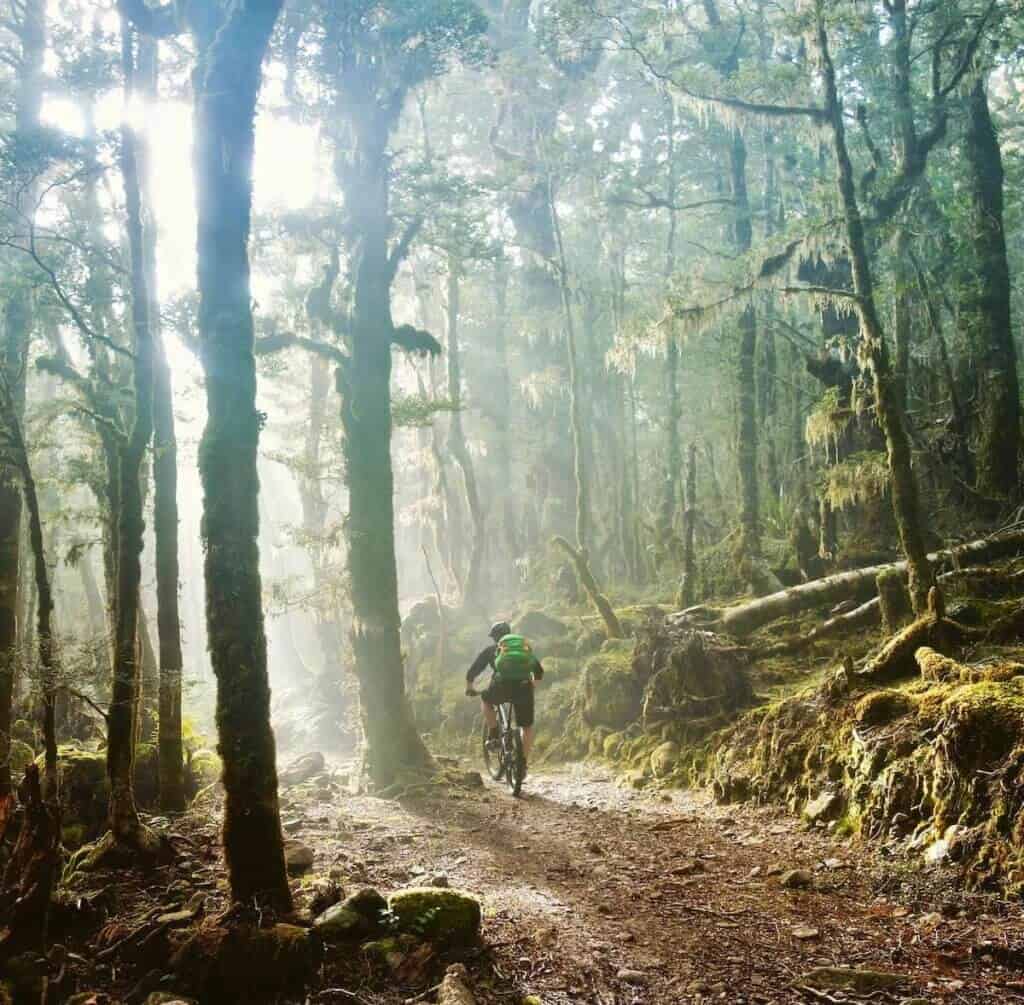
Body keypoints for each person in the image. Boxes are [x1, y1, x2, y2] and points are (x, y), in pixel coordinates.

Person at [465, 620, 543, 774]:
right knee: (526, 727)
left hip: (501, 687)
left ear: (495, 637)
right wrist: (530, 686)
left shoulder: (491, 651)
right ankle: (522, 764)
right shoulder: (524, 649)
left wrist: (469, 687)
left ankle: (494, 732)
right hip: (523, 687)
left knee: (486, 700)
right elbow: (538, 671)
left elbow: (474, 669)